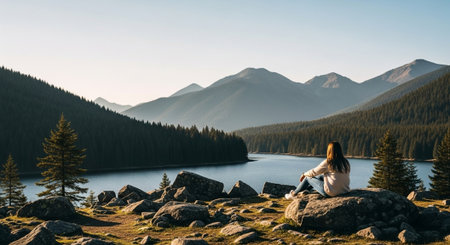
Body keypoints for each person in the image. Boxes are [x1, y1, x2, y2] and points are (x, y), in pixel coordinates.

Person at [285, 141, 350, 199]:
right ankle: (306, 190)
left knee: (308, 178)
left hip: (331, 193)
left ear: (329, 150)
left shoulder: (329, 162)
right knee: (320, 177)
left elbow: (313, 172)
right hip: (344, 191)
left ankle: (293, 194)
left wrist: (304, 174)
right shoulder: (345, 162)